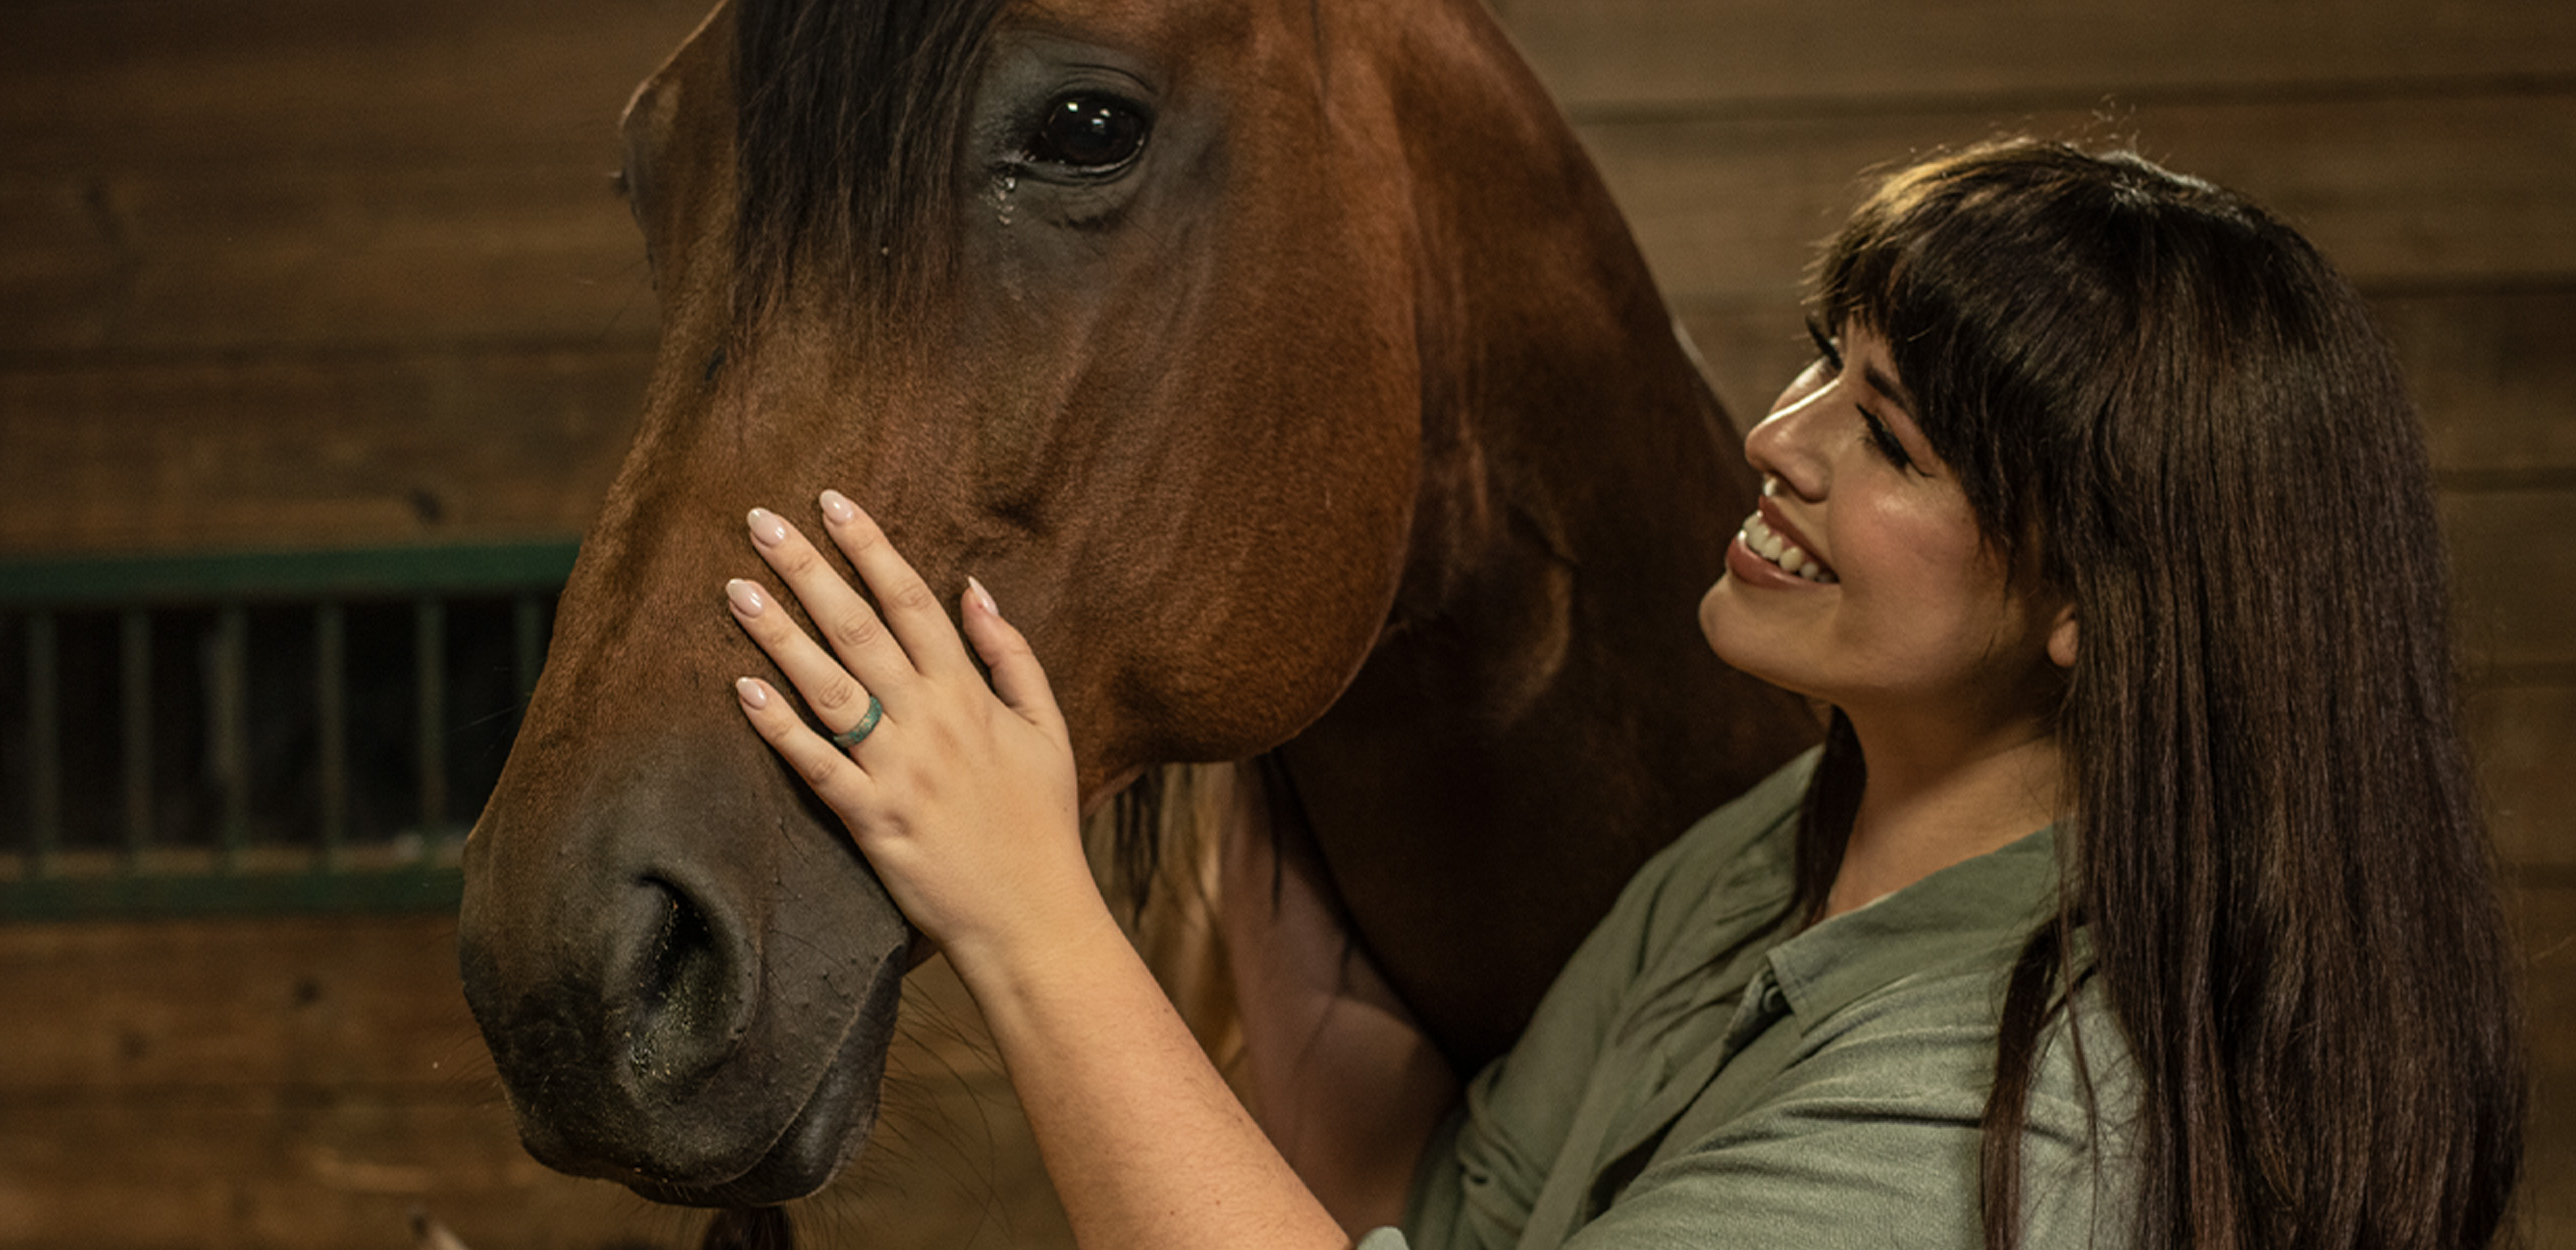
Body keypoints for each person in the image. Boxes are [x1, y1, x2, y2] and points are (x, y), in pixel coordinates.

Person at [710, 139, 2522, 1250]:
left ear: (2086, 603)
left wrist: (1022, 904)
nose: (1774, 440)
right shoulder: (1766, 855)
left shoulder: (2025, 1109)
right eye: (1826, 362)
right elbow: (1429, 1205)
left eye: (1881, 438)